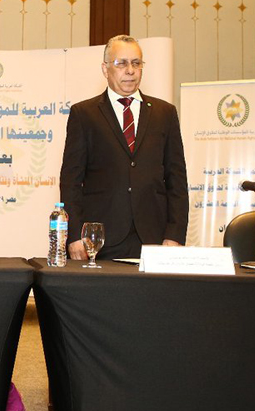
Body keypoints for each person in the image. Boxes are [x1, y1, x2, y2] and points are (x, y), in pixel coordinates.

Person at [59, 34, 189, 259]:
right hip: (99, 240)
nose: (130, 70)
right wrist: (74, 236)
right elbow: (71, 180)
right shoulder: (84, 114)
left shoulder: (165, 113)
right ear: (105, 68)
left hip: (155, 239)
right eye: (122, 63)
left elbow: (177, 179)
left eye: (136, 63)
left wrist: (175, 234)